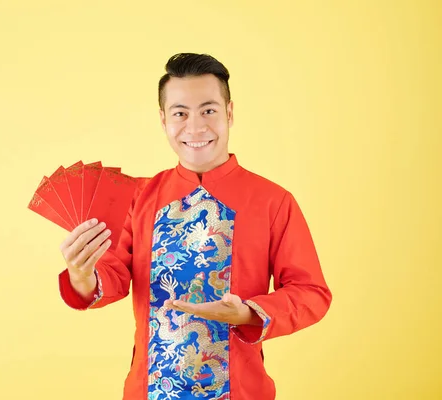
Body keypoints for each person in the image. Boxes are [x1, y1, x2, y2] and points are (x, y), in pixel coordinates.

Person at [57, 53, 332, 400]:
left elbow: (311, 293)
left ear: (229, 113)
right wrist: (83, 277)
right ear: (163, 120)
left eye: (208, 110)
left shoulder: (273, 201)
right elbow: (112, 276)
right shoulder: (140, 198)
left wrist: (249, 313)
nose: (195, 127)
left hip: (242, 391)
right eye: (180, 114)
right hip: (149, 390)